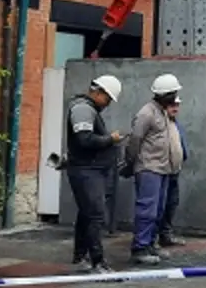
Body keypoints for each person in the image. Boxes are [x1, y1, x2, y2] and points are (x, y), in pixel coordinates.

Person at [124, 73, 186, 266]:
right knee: (147, 210)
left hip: (164, 169)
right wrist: (130, 162)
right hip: (150, 168)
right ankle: (140, 247)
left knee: (158, 210)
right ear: (164, 94)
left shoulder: (162, 112)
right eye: (173, 93)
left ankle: (150, 243)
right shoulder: (147, 114)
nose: (175, 96)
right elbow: (135, 140)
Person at [66, 75, 123, 274]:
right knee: (95, 216)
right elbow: (84, 140)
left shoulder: (87, 108)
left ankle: (81, 257)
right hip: (86, 171)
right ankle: (97, 262)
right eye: (107, 99)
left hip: (89, 170)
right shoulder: (83, 109)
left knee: (87, 214)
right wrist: (110, 139)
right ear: (98, 93)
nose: (107, 104)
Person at [155, 96, 187, 249]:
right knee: (157, 205)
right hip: (161, 170)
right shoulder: (160, 124)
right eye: (172, 105)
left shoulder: (175, 124)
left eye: (177, 105)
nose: (175, 108)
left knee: (171, 203)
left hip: (174, 170)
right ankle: (152, 239)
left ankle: (165, 234)